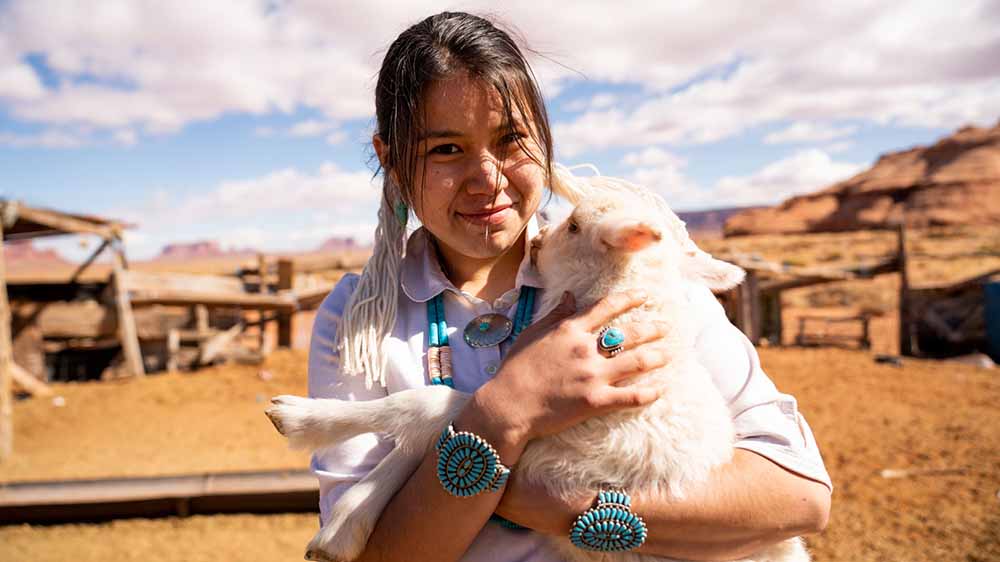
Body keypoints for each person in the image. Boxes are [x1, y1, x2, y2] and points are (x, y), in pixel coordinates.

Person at [309, 11, 831, 562]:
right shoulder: (359, 324)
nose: (487, 178)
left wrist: (572, 510)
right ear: (391, 159)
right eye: (446, 149)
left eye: (512, 140)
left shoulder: (640, 278)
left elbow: (798, 498)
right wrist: (507, 409)